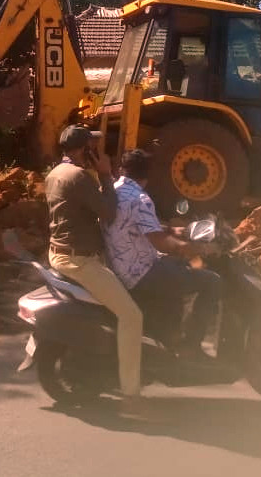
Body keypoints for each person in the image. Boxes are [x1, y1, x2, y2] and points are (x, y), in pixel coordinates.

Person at [45, 125, 144, 402]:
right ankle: (131, 394)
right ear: (83, 150)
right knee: (132, 316)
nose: (97, 150)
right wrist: (105, 174)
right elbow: (109, 213)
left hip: (60, 254)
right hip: (80, 261)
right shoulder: (78, 177)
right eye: (92, 146)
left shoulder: (55, 173)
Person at [101, 149, 222, 362]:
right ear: (148, 175)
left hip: (120, 266)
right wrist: (193, 249)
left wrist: (172, 231)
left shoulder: (113, 190)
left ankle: (169, 334)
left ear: (122, 169)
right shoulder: (140, 198)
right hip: (140, 273)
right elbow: (161, 243)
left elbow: (138, 226)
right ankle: (192, 348)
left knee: (176, 270)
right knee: (211, 281)